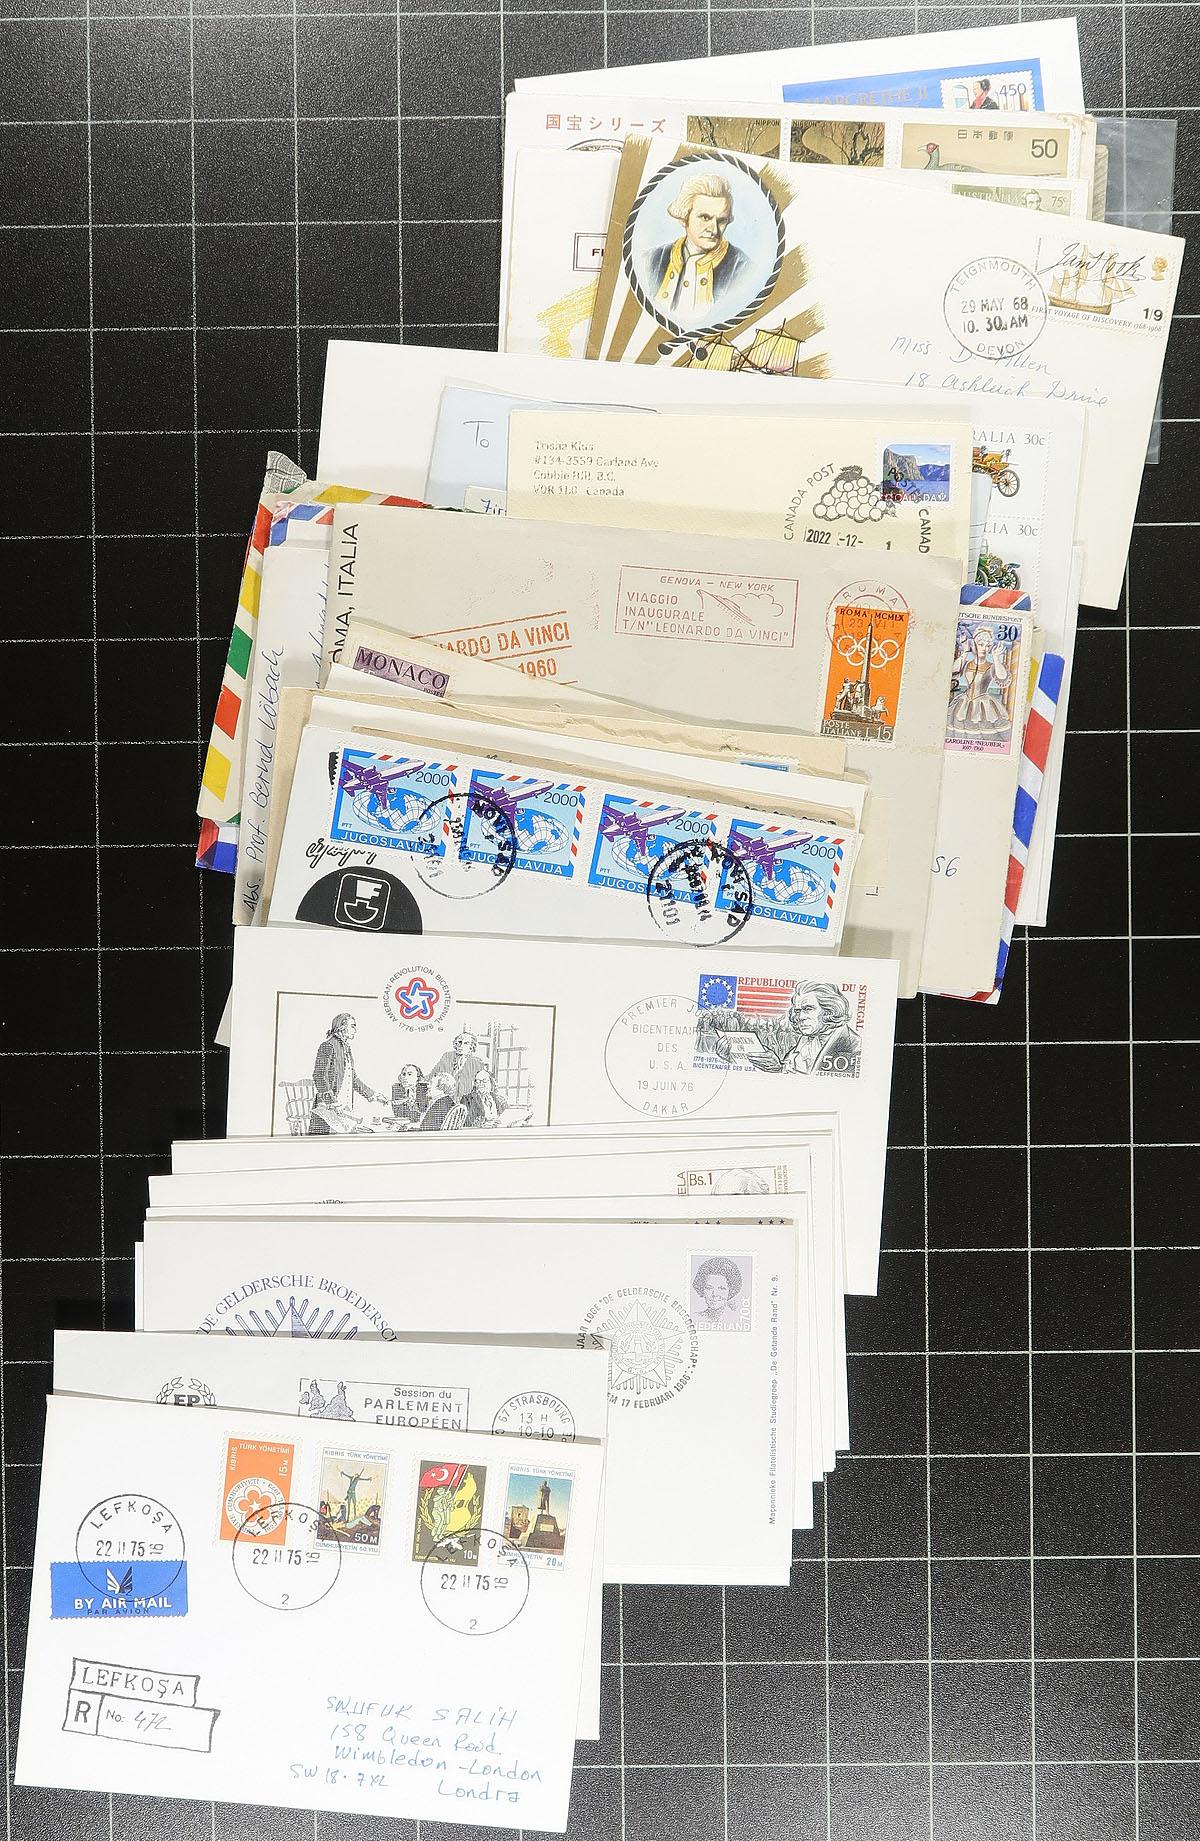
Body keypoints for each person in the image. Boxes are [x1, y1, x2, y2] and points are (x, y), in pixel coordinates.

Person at [646, 173, 749, 323]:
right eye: (705, 218)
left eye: (721, 221)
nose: (714, 229)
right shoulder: (652, 259)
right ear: (684, 218)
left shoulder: (742, 269)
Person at [699, 981, 861, 1075]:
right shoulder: (805, 1040)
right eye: (797, 1010)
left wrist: (778, 1068)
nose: (800, 1017)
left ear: (829, 1011)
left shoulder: (852, 1045)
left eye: (808, 1009)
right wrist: (736, 1056)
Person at [309, 1012, 383, 1134]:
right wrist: (332, 1101)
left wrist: (373, 1095)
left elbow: (353, 1079)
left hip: (345, 1108)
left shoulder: (346, 1048)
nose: (355, 1030)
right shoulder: (327, 1046)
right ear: (341, 1027)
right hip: (328, 1109)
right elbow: (319, 1076)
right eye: (353, 1026)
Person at [429, 1031, 486, 1102]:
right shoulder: (447, 1057)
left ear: (471, 1047)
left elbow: (479, 1086)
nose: (461, 1045)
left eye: (466, 1043)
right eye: (459, 1042)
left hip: (465, 1101)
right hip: (445, 1100)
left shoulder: (477, 1064)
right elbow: (433, 1075)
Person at [691, 1256, 745, 1327]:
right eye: (709, 1288)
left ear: (731, 1290)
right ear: (701, 1288)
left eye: (721, 1288)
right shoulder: (694, 1318)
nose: (715, 1294)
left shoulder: (737, 1319)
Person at [390, 1062, 427, 1127]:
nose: (405, 1077)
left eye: (409, 1074)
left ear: (418, 1077)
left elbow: (423, 1111)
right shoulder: (397, 1088)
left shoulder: (424, 1089)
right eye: (404, 1074)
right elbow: (398, 1114)